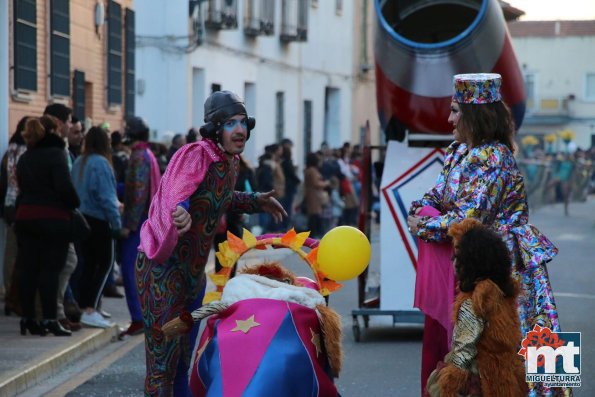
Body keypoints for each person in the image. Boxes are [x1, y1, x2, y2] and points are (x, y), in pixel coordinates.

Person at [407, 73, 565, 397]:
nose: (448, 118)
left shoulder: (495, 156)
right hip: (478, 259)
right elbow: (436, 195)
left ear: (473, 115)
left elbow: (473, 216)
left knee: (520, 343)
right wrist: (420, 210)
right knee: (482, 352)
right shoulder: (456, 151)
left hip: (508, 264)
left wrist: (422, 226)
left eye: (455, 110)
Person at [136, 90, 286, 396]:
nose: (240, 130)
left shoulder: (227, 162)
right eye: (231, 122)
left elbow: (218, 198)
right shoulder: (198, 154)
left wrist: (255, 201)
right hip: (162, 274)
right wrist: (180, 211)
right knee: (162, 366)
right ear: (216, 127)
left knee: (182, 362)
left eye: (243, 122)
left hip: (191, 277)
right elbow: (178, 192)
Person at [426, 218, 527, 397]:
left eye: (458, 257)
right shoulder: (502, 294)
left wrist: (446, 386)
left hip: (481, 383)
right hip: (506, 380)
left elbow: (463, 353)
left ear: (471, 262)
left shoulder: (474, 302)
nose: (453, 262)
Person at [15, 117, 80, 336]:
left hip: (25, 217)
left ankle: (28, 319)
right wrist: (74, 203)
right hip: (52, 219)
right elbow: (64, 188)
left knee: (29, 270)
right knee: (50, 271)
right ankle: (50, 319)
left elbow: (21, 188)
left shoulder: (24, 158)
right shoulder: (57, 154)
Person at [71, 126, 125, 328]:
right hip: (100, 221)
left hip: (82, 220)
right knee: (105, 265)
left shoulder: (79, 161)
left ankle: (88, 306)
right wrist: (117, 224)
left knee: (87, 266)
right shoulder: (101, 163)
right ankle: (90, 309)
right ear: (105, 143)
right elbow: (107, 198)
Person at [120, 117, 161, 338]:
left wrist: (129, 224)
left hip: (139, 223)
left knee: (130, 270)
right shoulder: (148, 154)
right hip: (147, 219)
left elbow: (137, 192)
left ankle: (138, 318)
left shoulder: (138, 156)